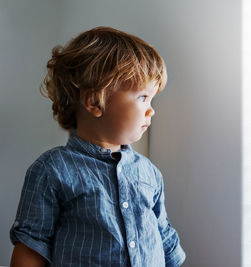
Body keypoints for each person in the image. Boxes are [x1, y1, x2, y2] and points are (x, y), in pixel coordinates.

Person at [9, 26, 186, 267]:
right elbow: (32, 247)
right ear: (95, 101)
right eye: (143, 97)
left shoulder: (149, 173)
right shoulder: (52, 170)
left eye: (152, 99)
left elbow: (164, 238)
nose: (151, 109)